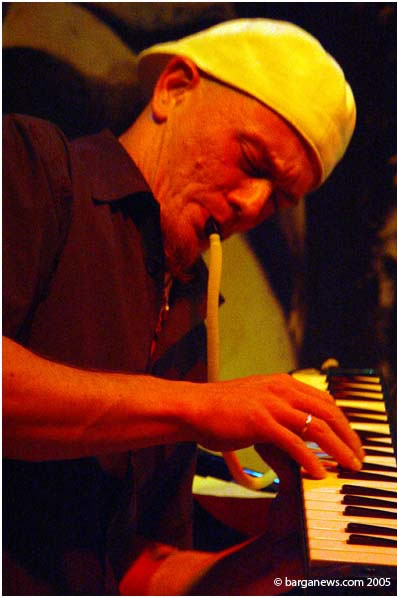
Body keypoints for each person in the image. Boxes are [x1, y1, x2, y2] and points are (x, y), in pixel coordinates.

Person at [3, 18, 360, 596]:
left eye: (280, 200)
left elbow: (138, 571)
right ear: (173, 88)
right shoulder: (31, 165)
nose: (251, 205)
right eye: (252, 161)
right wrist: (197, 406)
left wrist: (286, 555)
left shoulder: (190, 301)